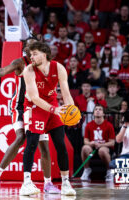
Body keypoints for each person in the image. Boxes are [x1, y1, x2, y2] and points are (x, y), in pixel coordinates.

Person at [0, 38, 57, 194]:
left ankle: (47, 183)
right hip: (19, 106)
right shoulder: (20, 62)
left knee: (44, 147)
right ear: (25, 49)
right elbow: (4, 71)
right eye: (28, 45)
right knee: (20, 137)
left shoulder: (44, 64)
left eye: (33, 45)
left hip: (37, 108)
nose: (30, 47)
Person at [22, 41, 76, 196]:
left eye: (35, 53)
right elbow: (34, 97)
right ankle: (26, 183)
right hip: (34, 106)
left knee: (60, 143)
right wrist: (55, 110)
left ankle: (65, 183)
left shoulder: (58, 67)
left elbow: (66, 93)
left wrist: (71, 112)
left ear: (44, 54)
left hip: (52, 105)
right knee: (31, 143)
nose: (31, 57)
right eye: (30, 54)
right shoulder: (29, 70)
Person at [80, 104, 115, 182]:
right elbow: (85, 141)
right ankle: (86, 170)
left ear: (103, 114)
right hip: (92, 149)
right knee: (85, 148)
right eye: (96, 109)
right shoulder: (89, 125)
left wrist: (101, 145)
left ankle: (110, 171)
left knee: (102, 150)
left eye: (100, 109)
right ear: (93, 113)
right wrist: (91, 143)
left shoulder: (109, 125)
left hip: (105, 148)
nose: (98, 111)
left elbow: (112, 143)